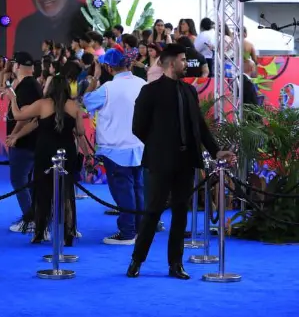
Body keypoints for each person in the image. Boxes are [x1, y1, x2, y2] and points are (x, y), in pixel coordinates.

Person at [127, 43, 235, 280]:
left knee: (180, 214)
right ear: (171, 63)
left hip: (186, 160)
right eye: (183, 60)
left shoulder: (189, 91)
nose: (187, 64)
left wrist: (216, 151)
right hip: (159, 161)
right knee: (153, 212)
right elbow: (138, 127)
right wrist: (159, 146)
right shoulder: (150, 91)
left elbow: (199, 126)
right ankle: (137, 260)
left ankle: (175, 264)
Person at [8, 73, 83, 244]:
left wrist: (13, 99)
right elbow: (80, 132)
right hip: (66, 152)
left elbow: (18, 115)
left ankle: (39, 232)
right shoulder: (74, 106)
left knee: (42, 191)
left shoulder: (42, 104)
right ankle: (68, 233)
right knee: (66, 193)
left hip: (45, 152)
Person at [83, 49, 146, 245]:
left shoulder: (107, 88)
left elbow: (86, 101)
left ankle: (127, 232)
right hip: (140, 146)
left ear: (108, 68)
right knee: (138, 188)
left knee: (123, 191)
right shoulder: (142, 83)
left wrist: (94, 80)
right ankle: (139, 229)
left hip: (115, 148)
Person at [5, 52, 42, 232]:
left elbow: (26, 115)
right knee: (27, 180)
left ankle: (30, 219)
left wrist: (14, 135)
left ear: (17, 66)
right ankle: (34, 216)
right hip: (31, 141)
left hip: (25, 142)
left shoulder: (27, 86)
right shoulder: (31, 84)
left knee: (18, 179)